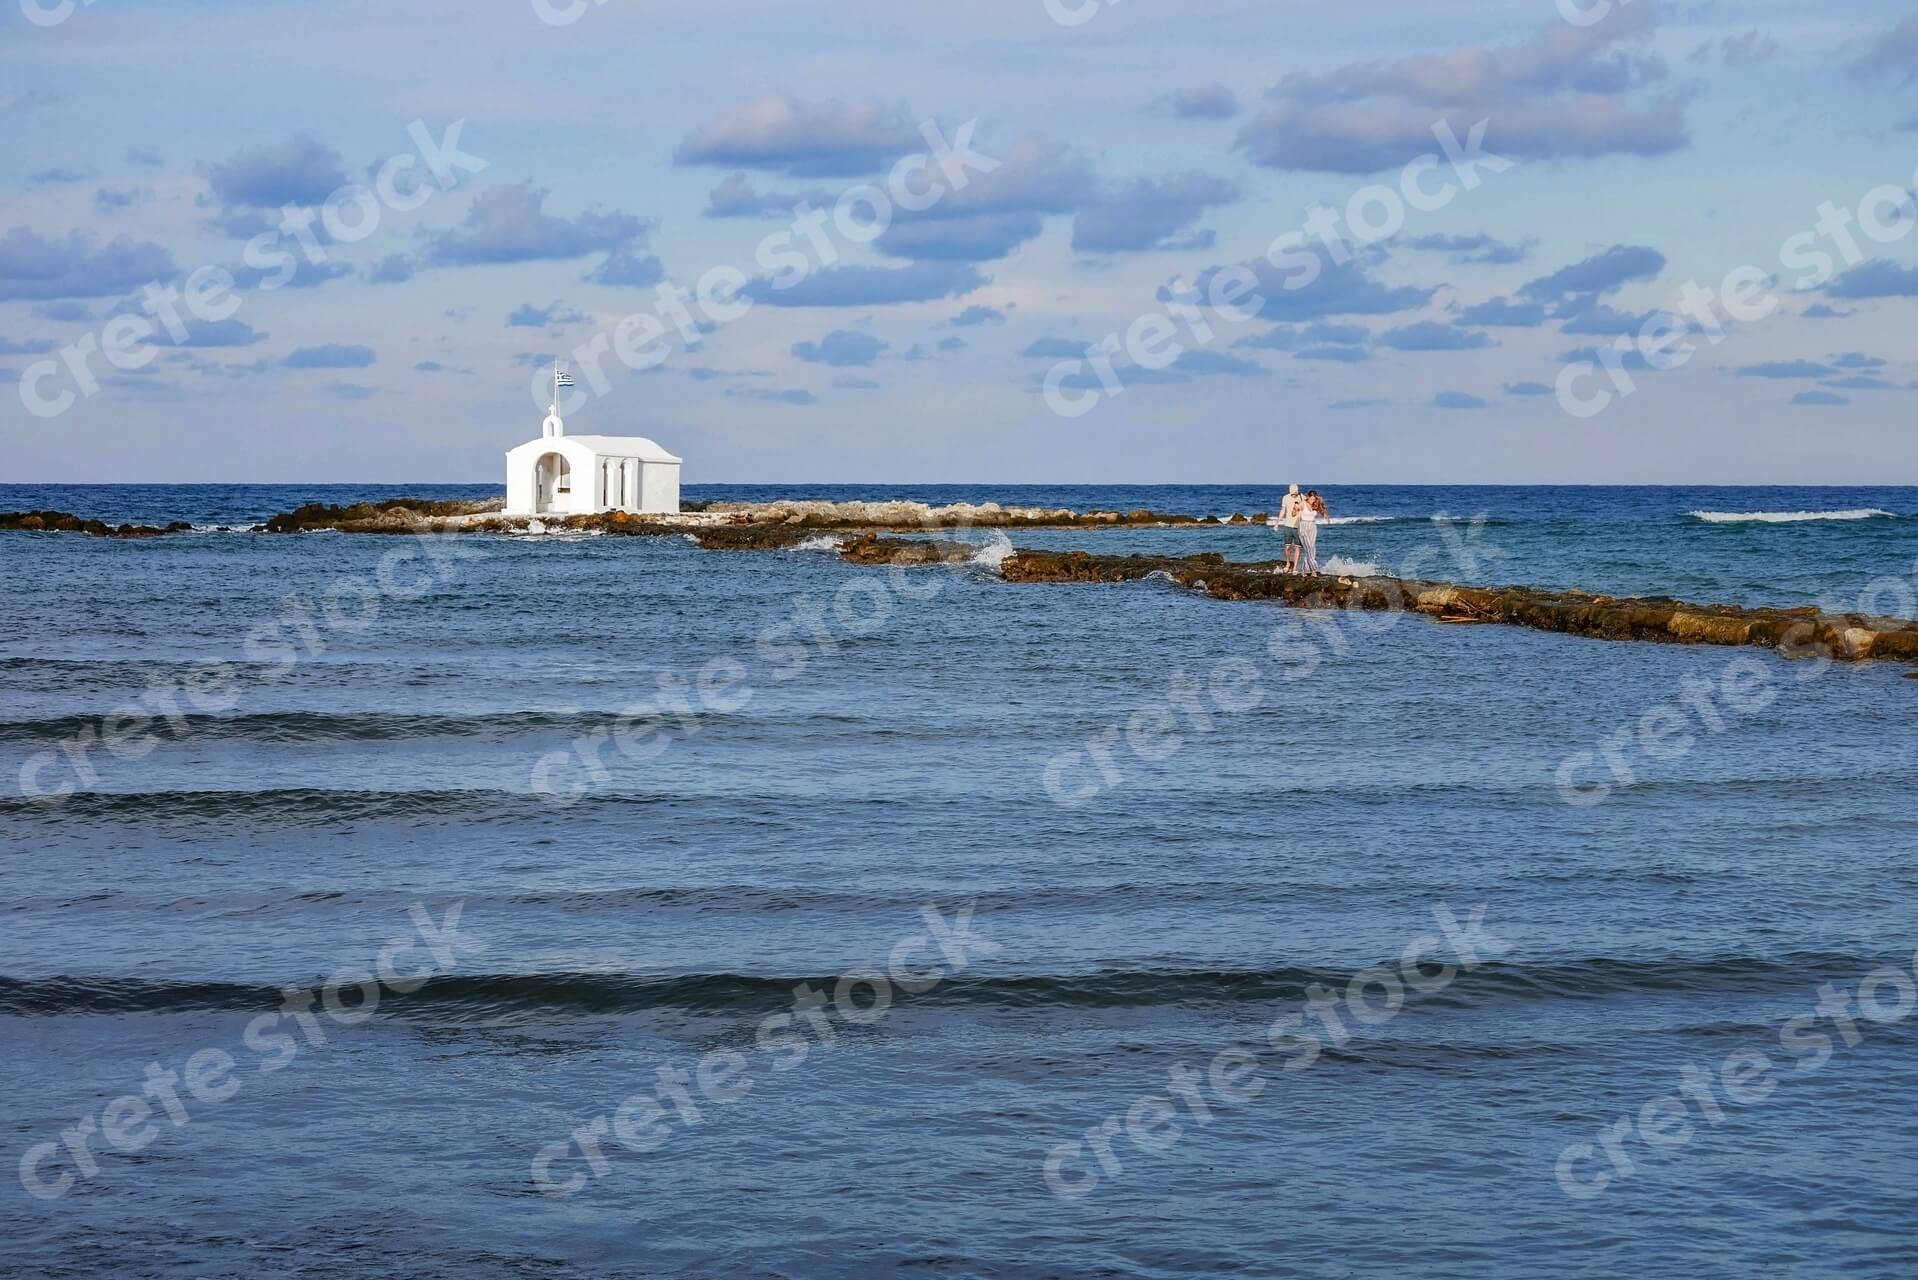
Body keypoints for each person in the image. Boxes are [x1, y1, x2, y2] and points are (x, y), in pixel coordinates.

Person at [1270, 484, 1303, 573]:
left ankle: (1295, 567)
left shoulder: (1302, 497)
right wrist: (1277, 523)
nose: (1294, 495)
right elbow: (1283, 510)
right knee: (1287, 547)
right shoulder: (1285, 498)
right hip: (1288, 525)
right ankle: (1288, 563)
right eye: (1292, 494)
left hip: (1299, 526)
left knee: (1297, 547)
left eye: (1295, 493)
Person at [1298, 488, 1326, 576]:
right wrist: (1295, 509)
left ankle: (1303, 570)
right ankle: (1313, 569)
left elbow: (1323, 511)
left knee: (1312, 549)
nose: (1312, 501)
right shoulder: (1303, 503)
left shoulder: (1315, 504)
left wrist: (1326, 516)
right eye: (1311, 499)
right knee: (1309, 548)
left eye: (1314, 499)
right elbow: (1294, 511)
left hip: (1312, 527)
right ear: (1308, 497)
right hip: (1303, 526)